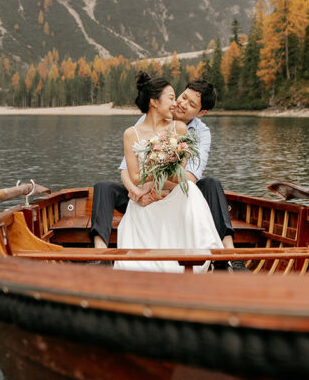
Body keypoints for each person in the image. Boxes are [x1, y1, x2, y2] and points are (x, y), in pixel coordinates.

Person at [90, 77, 237, 254]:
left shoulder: (200, 133)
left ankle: (230, 251)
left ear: (201, 112)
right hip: (142, 193)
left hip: (178, 193)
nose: (182, 104)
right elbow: (126, 169)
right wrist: (137, 193)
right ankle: (99, 251)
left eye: (191, 104)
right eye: (183, 97)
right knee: (103, 188)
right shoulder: (146, 121)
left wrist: (151, 186)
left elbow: (188, 178)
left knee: (212, 184)